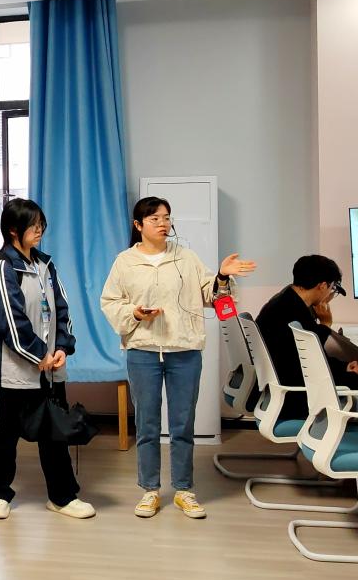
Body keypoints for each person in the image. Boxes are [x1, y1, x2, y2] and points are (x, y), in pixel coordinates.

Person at [101, 196, 255, 520]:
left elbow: (212, 295)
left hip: (184, 350)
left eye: (167, 217)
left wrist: (222, 276)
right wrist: (135, 313)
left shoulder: (186, 257)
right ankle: (150, 490)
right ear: (138, 225)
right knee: (147, 424)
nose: (163, 223)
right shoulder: (124, 262)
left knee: (183, 423)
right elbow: (110, 302)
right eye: (155, 218)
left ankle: (184, 490)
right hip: (142, 350)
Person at [0, 198, 94, 520]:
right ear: (13, 230)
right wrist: (38, 354)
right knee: (5, 434)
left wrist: (62, 348)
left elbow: (62, 310)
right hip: (14, 369)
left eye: (41, 223)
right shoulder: (3, 269)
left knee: (54, 432)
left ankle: (62, 496)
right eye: (32, 225)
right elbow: (10, 321)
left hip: (49, 369)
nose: (39, 229)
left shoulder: (45, 265)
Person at [255, 255, 358, 416]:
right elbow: (311, 370)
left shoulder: (284, 302)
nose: (330, 295)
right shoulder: (294, 315)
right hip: (300, 397)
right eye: (331, 288)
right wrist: (353, 376)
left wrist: (346, 368)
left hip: (285, 390)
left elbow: (311, 362)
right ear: (323, 286)